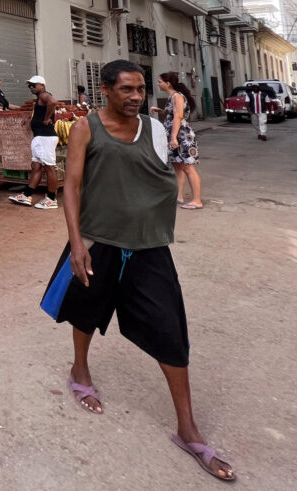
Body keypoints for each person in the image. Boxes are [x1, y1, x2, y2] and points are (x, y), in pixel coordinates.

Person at [39, 59, 235, 482]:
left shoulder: (156, 128)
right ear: (106, 89)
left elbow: (157, 175)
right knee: (86, 309)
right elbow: (71, 185)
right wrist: (76, 242)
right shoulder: (84, 128)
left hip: (147, 246)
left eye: (140, 89)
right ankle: (80, 369)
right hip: (98, 239)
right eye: (126, 89)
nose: (135, 96)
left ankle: (187, 428)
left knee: (170, 328)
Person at [152, 72, 202, 210]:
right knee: (178, 167)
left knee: (188, 168)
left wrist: (174, 137)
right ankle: (178, 196)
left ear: (168, 83)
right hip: (176, 135)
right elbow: (173, 114)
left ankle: (196, 200)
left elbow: (178, 117)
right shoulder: (173, 96)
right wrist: (161, 111)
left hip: (182, 137)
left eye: (159, 81)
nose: (158, 84)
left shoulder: (177, 96)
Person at [8, 75, 58, 209]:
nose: (31, 87)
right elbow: (40, 112)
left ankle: (51, 199)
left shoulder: (44, 95)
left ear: (42, 85)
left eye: (34, 85)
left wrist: (47, 118)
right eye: (30, 85)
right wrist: (31, 120)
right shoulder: (39, 99)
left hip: (45, 137)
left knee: (49, 167)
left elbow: (53, 102)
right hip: (40, 137)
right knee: (36, 167)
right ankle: (27, 195)